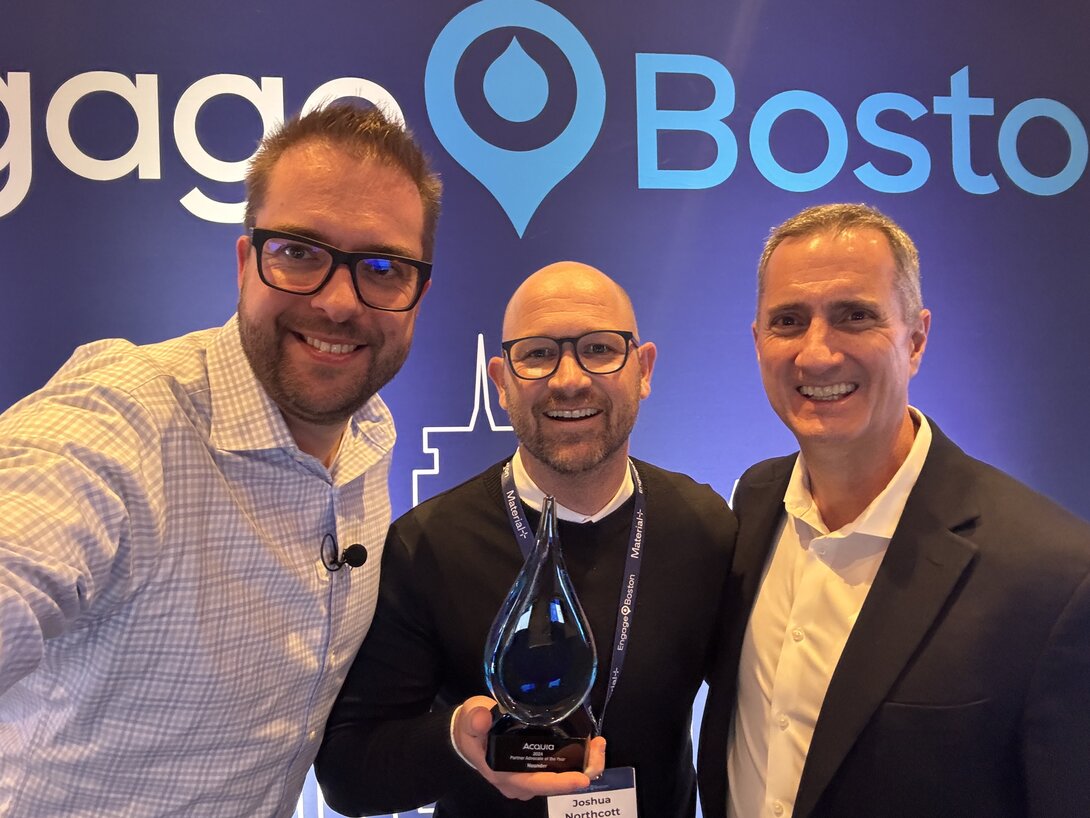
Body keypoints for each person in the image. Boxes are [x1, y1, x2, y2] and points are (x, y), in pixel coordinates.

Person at [0, 102, 441, 817]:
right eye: (300, 252)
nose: (337, 303)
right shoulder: (125, 413)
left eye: (383, 267)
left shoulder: (369, 437)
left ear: (417, 296)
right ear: (246, 263)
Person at [699, 203, 1090, 818]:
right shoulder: (751, 505)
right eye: (789, 321)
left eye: (855, 316)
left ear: (916, 338)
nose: (817, 354)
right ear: (757, 342)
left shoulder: (1055, 578)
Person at [316, 261, 737, 817]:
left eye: (600, 349)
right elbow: (350, 776)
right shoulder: (428, 546)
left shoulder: (705, 527)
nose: (569, 380)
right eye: (537, 354)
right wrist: (457, 741)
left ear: (643, 370)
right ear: (501, 382)